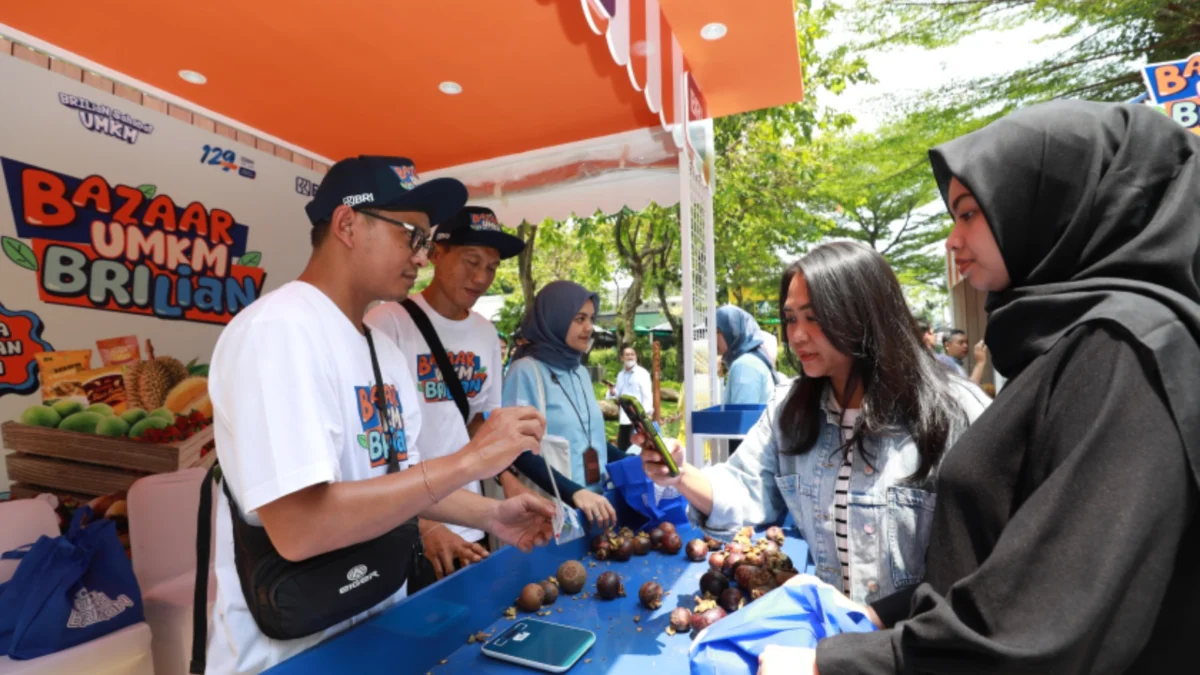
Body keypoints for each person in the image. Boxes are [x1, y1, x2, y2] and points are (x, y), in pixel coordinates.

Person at [767, 100, 1200, 674]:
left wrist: (836, 665)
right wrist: (886, 615)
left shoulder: (1122, 355)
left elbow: (1040, 626)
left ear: (1049, 206)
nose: (951, 239)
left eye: (969, 213)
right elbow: (1001, 565)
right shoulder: (1072, 347)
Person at [205, 156, 554, 675]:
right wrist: (469, 461)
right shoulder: (279, 331)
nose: (420, 255)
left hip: (378, 627)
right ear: (347, 224)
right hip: (292, 651)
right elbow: (299, 527)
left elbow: (403, 488)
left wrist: (489, 515)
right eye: (410, 235)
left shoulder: (383, 352)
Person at [641, 241, 990, 604]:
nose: (797, 335)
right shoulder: (789, 409)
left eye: (815, 317)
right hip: (831, 644)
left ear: (864, 314)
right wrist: (679, 474)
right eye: (791, 318)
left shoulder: (956, 412)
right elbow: (744, 485)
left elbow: (986, 563)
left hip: (921, 650)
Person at [364, 206, 532, 589]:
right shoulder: (388, 322)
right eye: (471, 260)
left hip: (471, 520)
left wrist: (507, 478)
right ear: (437, 254)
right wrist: (424, 522)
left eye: (491, 267)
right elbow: (375, 447)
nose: (481, 277)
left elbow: (477, 422)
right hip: (407, 527)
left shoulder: (486, 334)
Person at [503, 281, 625, 528]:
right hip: (550, 513)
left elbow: (594, 440)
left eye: (591, 318)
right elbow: (518, 452)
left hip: (595, 507)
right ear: (555, 318)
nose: (589, 327)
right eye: (579, 319)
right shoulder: (526, 371)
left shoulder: (579, 371)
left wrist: (637, 462)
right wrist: (574, 493)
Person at [715, 305, 778, 405]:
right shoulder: (750, 360)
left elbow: (743, 417)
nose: (712, 338)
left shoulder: (744, 365)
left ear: (733, 331)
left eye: (717, 332)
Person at [606, 346, 654, 451]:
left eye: (632, 354)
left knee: (635, 449)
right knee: (623, 448)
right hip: (624, 418)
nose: (630, 357)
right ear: (622, 358)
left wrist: (644, 416)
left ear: (636, 357)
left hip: (637, 419)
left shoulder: (642, 374)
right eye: (627, 355)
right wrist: (612, 391)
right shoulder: (620, 375)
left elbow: (647, 395)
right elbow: (618, 394)